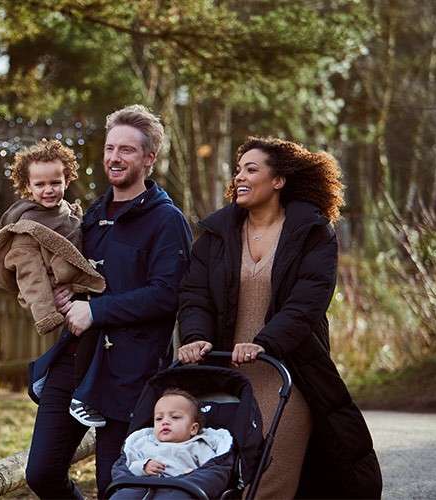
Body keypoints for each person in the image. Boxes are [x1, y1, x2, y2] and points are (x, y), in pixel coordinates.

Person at [176, 137, 382, 499]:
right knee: (220, 475)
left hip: (288, 372)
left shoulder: (312, 232)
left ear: (278, 180)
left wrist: (264, 343)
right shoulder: (215, 235)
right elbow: (195, 296)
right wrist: (194, 336)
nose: (240, 176)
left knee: (269, 478)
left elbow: (307, 303)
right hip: (225, 374)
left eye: (251, 169)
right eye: (238, 169)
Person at [25, 104, 193, 499]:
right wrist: (64, 293)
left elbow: (168, 295)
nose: (114, 158)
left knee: (115, 484)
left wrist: (95, 310)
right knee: (42, 472)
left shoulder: (167, 221)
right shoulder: (91, 214)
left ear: (149, 158)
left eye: (127, 150)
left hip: (130, 371)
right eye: (110, 148)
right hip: (76, 359)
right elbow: (79, 274)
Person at [0, 138, 108, 426]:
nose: (49, 190)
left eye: (55, 182)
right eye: (40, 185)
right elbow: (29, 273)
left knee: (90, 338)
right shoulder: (26, 226)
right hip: (54, 294)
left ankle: (47, 373)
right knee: (86, 336)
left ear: (67, 179)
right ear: (27, 186)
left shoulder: (69, 213)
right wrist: (46, 311)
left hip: (78, 288)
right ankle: (64, 386)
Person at [123, 389, 232, 478]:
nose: (165, 422)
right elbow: (127, 467)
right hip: (142, 488)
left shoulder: (199, 446)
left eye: (175, 417)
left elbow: (212, 473)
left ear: (193, 429)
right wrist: (143, 466)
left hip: (180, 490)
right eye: (159, 418)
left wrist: (193, 476)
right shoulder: (144, 444)